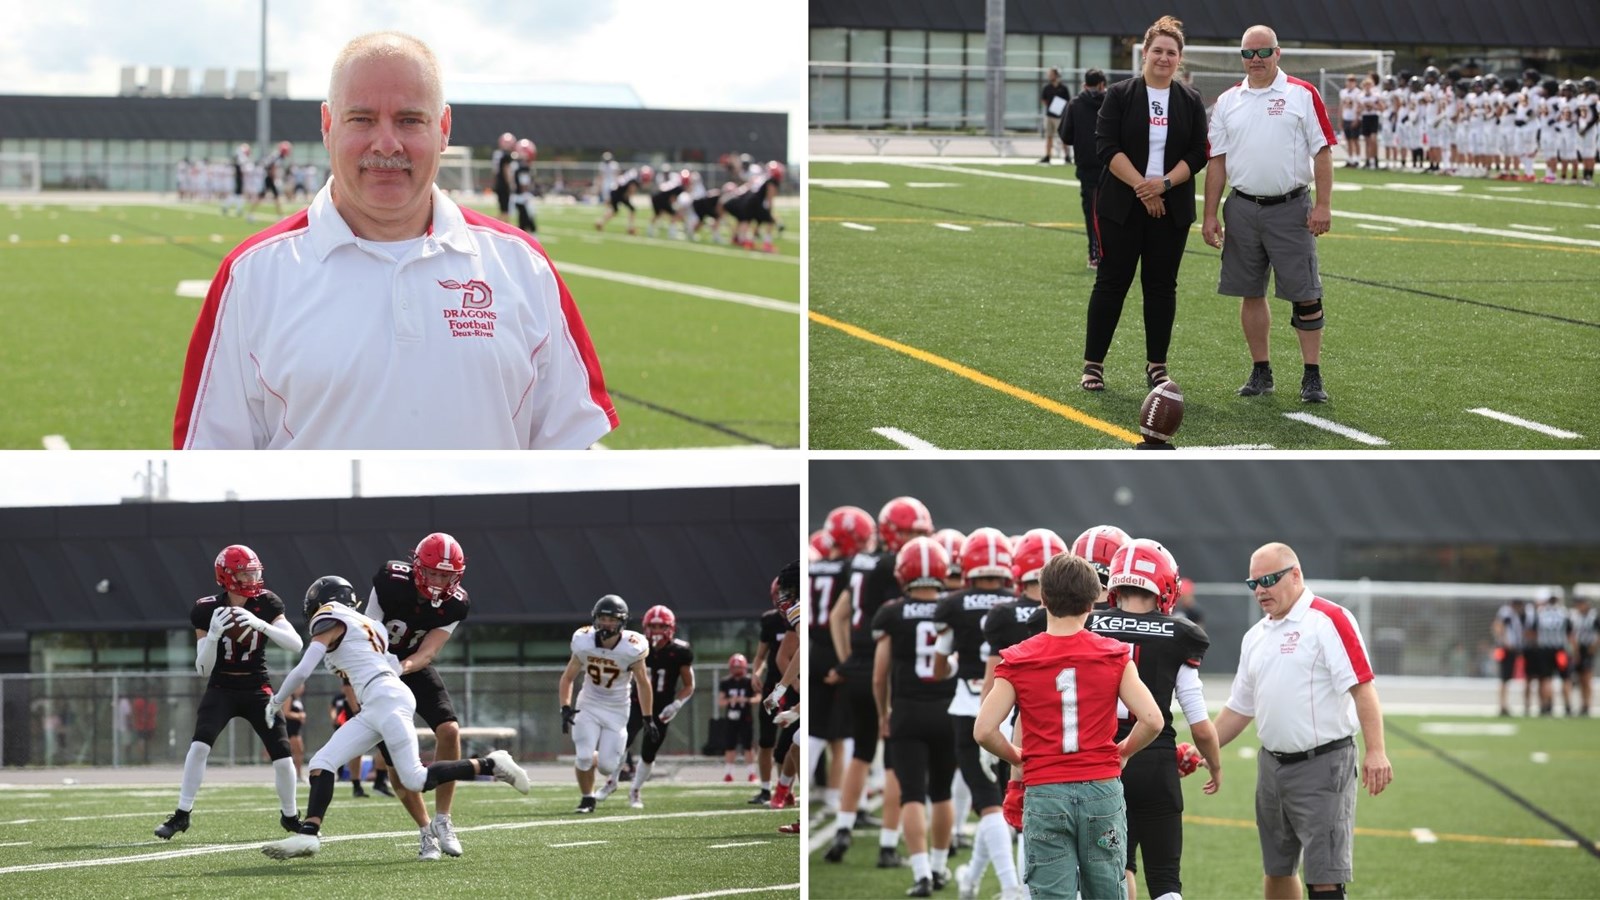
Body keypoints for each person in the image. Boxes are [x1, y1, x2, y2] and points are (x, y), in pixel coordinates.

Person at [173, 31, 616, 449]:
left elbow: (572, 454)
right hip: (313, 535)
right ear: (328, 124)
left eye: (409, 120)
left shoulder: (524, 266)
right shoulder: (251, 275)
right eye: (362, 119)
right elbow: (209, 469)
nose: (387, 144)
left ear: (443, 128)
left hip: (485, 535)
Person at [260, 576, 529, 860]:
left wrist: (277, 701)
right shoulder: (372, 625)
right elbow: (371, 660)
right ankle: (308, 835)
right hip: (378, 701)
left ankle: (492, 763)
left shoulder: (329, 615)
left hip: (386, 698)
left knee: (414, 778)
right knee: (321, 763)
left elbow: (303, 670)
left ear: (322, 601)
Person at [973, 552, 1164, 900]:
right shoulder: (1113, 654)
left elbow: (984, 730)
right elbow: (1152, 720)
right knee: (1107, 890)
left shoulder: (1018, 658)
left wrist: (1018, 757)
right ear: (1095, 601)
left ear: (1043, 598)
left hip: (1046, 790)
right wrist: (1123, 751)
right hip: (1101, 788)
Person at [1211, 543, 1392, 900]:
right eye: (1253, 583)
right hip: (1271, 767)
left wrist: (1377, 751)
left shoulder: (1329, 619)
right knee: (1277, 870)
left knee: (1324, 877)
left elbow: (1362, 688)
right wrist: (1204, 747)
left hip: (1323, 764)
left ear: (1296, 575)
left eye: (1268, 580)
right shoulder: (1256, 636)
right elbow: (1239, 708)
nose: (1260, 590)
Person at [1202, 25, 1339, 404]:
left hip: (1290, 207)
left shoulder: (1302, 93)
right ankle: (1261, 370)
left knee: (1305, 294)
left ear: (1278, 53)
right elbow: (1217, 161)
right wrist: (1209, 214)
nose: (1256, 60)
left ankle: (1312, 375)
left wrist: (1324, 205)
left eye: (1264, 52)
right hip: (1242, 207)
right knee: (1249, 292)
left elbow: (1323, 151)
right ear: (1241, 57)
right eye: (1249, 53)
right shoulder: (1228, 101)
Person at [1079, 16, 1209, 394]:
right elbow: (1106, 145)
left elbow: (1198, 152)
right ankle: (1093, 365)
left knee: (1161, 287)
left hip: (1172, 208)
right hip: (1122, 203)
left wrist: (1163, 185)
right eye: (1158, 51)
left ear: (1179, 59)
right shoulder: (1120, 95)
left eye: (1171, 52)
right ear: (1145, 55)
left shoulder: (1190, 99)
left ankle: (1157, 366)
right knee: (1111, 282)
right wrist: (1143, 187)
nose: (1164, 58)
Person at [1089, 539, 1222, 900]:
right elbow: (1198, 720)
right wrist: (1215, 763)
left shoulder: (1089, 624)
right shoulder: (1180, 634)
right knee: (1165, 881)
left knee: (1115, 871)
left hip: (1098, 761)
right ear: (1165, 584)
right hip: (1156, 761)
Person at [155, 545, 305, 841]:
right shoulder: (206, 608)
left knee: (283, 756)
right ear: (227, 576)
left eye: (254, 572)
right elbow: (202, 668)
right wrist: (212, 636)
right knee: (199, 747)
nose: (252, 579)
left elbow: (296, 644)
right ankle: (182, 815)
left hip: (257, 686)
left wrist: (262, 625)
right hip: (221, 686)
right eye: (245, 573)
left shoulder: (267, 603)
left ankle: (290, 817)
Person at [873, 537, 959, 897]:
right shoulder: (953, 606)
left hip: (907, 711)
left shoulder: (892, 612)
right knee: (941, 793)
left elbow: (879, 675)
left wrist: (883, 713)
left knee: (912, 794)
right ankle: (940, 868)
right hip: (947, 712)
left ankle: (922, 874)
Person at [559, 595, 655, 814]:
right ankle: (587, 798)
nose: (606, 623)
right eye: (602, 618)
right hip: (589, 703)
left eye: (611, 619)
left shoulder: (632, 646)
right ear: (595, 619)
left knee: (607, 766)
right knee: (583, 757)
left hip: (617, 709)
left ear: (621, 622)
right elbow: (568, 677)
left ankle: (602, 757)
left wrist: (648, 717)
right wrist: (564, 707)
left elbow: (643, 682)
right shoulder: (583, 641)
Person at [605, 604, 695, 808]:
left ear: (670, 628)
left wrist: (676, 704)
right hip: (637, 703)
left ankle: (635, 791)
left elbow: (689, 685)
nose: (656, 632)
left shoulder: (680, 651)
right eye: (652, 627)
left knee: (648, 753)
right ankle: (611, 781)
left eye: (660, 627)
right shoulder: (638, 646)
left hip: (662, 710)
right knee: (622, 742)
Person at [1061, 69, 1109, 268]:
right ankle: (1112, 255)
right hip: (1112, 165)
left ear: (1085, 84)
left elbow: (1066, 135)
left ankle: (1096, 255)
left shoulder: (1075, 104)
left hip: (1087, 165)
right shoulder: (1111, 102)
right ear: (1101, 84)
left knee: (1092, 213)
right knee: (1113, 212)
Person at [719, 654, 758, 782]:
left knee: (748, 746)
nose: (737, 670)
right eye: (734, 667)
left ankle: (752, 773)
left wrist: (745, 700)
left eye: (739, 667)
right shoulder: (726, 682)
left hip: (745, 717)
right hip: (731, 718)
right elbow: (721, 701)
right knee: (730, 746)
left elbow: (758, 698)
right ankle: (728, 773)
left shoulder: (749, 681)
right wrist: (731, 700)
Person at [1491, 598, 1527, 716]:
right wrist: (1506, 642)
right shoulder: (1506, 612)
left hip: (1510, 649)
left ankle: (1504, 705)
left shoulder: (1514, 615)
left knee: (1507, 678)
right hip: (1506, 649)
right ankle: (1502, 705)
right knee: (1504, 678)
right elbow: (1498, 626)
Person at [1570, 597, 1597, 716]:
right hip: (1579, 649)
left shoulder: (1593, 617)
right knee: (1580, 678)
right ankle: (1582, 704)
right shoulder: (1575, 617)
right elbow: (1572, 634)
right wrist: (1575, 650)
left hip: (1589, 648)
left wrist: (1594, 647)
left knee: (1587, 678)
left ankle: (1587, 703)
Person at [1040, 68, 1072, 164]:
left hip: (1060, 117)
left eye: (1051, 74)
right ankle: (1048, 156)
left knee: (1063, 136)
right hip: (1049, 116)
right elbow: (1043, 100)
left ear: (1056, 75)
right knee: (1049, 136)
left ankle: (1067, 156)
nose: (1049, 76)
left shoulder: (1063, 88)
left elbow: (1068, 101)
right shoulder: (1047, 88)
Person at [491, 132, 516, 222]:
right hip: (503, 185)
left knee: (503, 210)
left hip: (499, 184)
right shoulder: (506, 156)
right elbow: (507, 171)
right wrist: (510, 184)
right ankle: (500, 227)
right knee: (505, 211)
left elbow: (495, 171)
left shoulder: (498, 154)